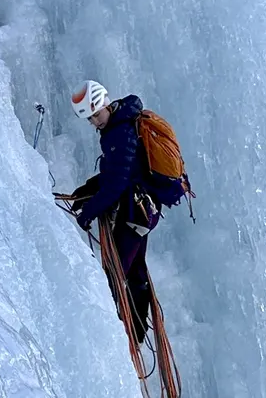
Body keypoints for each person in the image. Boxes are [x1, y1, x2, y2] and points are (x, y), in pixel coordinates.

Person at [62, 80, 186, 345]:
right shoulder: (125, 121)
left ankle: (122, 335)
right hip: (143, 209)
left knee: (115, 271)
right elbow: (122, 172)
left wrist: (88, 213)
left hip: (136, 213)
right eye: (90, 119)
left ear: (106, 104)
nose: (95, 122)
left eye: (96, 114)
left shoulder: (120, 132)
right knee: (133, 269)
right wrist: (91, 188)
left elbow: (117, 183)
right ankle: (138, 332)